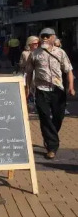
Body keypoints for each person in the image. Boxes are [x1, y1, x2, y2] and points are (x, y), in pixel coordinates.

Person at [26, 28, 75, 160]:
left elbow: (69, 70)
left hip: (57, 90)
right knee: (45, 117)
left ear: (53, 38)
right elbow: (29, 72)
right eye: (42, 36)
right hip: (41, 89)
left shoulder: (60, 52)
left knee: (58, 117)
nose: (45, 39)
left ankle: (49, 136)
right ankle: (52, 147)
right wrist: (28, 89)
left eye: (48, 36)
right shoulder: (34, 54)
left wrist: (71, 87)